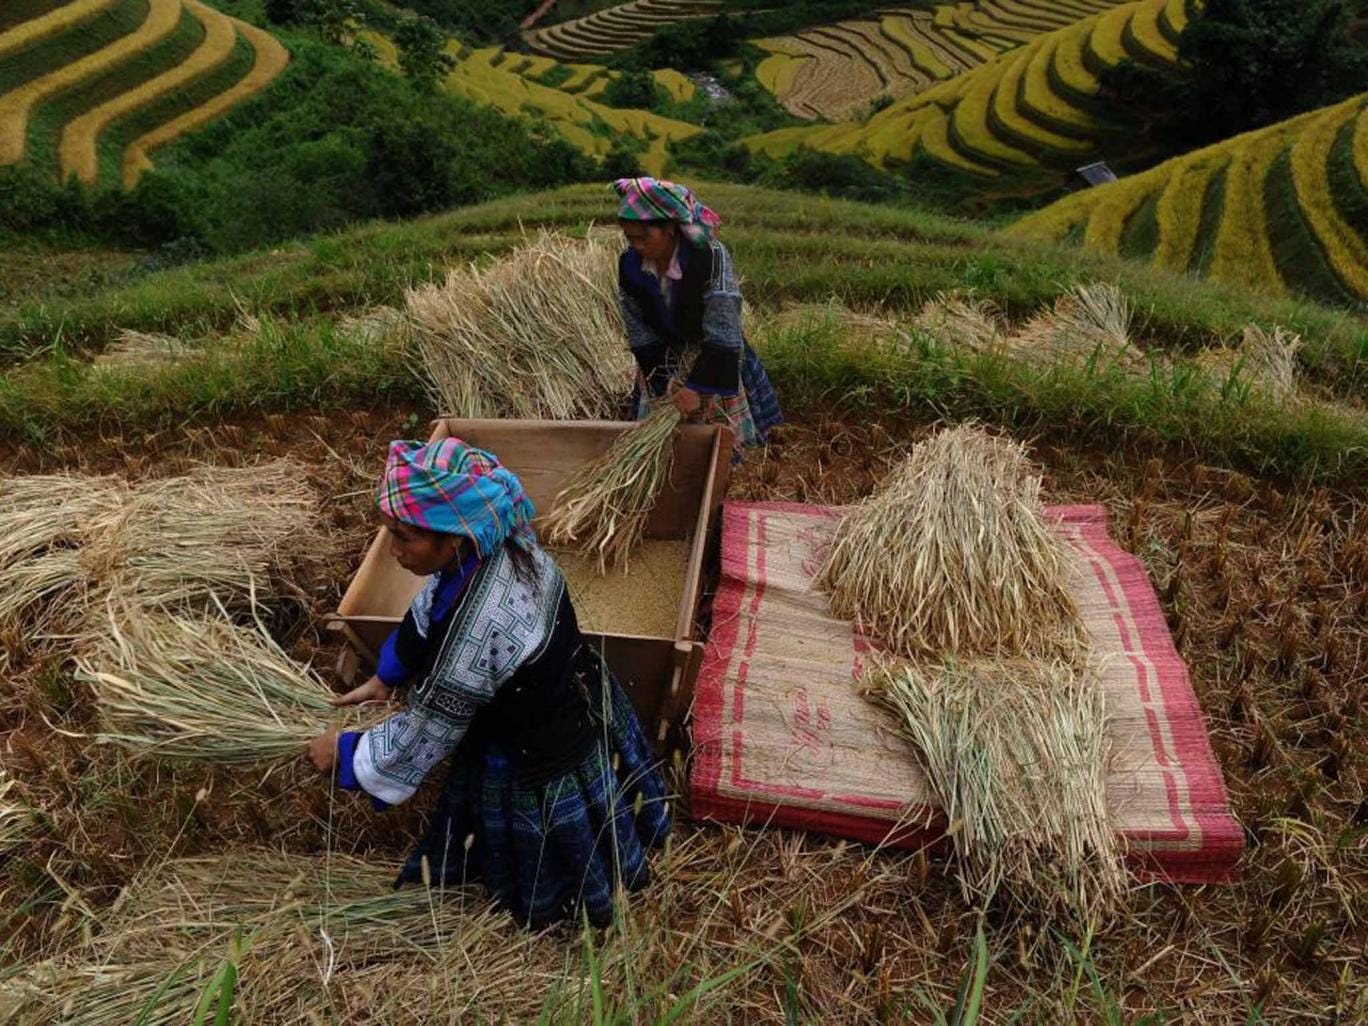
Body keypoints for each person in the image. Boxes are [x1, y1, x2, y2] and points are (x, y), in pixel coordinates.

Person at [308, 437, 670, 929]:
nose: (393, 550)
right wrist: (385, 676)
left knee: (553, 858)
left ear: (453, 537)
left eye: (405, 536)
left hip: (537, 752)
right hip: (578, 694)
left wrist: (344, 755)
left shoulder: (483, 630)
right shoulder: (502, 544)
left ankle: (564, 908)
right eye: (388, 531)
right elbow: (426, 613)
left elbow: (426, 730)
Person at [614, 177, 782, 455]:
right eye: (630, 238)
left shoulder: (709, 257)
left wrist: (695, 387)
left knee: (720, 448)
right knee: (662, 446)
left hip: (711, 353)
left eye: (644, 237)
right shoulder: (630, 263)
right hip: (663, 355)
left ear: (669, 229)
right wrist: (664, 382)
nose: (637, 246)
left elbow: (724, 329)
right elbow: (638, 327)